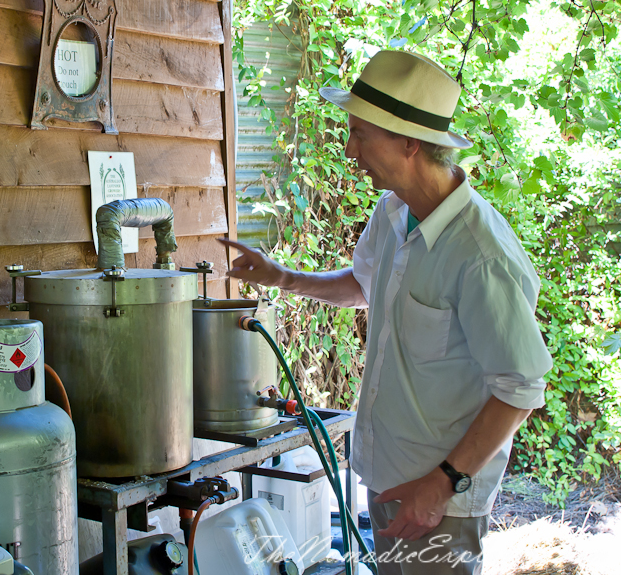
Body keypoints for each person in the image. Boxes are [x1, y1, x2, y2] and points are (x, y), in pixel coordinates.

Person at [219, 50, 552, 574]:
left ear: (409, 143)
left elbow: (522, 388)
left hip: (438, 504)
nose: (349, 148)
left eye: (359, 133)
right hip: (388, 481)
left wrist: (441, 485)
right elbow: (363, 285)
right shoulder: (395, 210)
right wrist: (283, 276)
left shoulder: (481, 256)